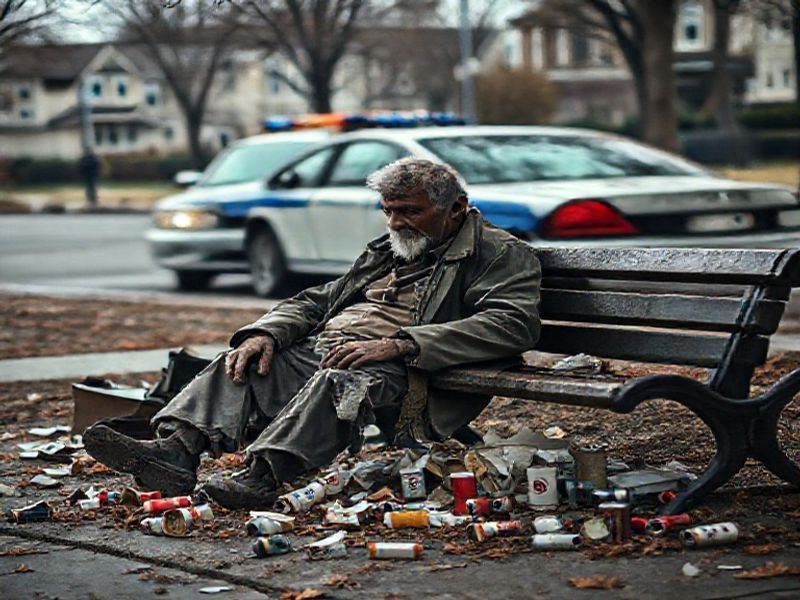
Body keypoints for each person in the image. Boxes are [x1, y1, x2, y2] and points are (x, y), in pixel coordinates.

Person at [84, 158, 542, 509]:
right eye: (388, 211)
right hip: (335, 349)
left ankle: (264, 474)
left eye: (410, 211)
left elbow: (512, 324)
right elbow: (318, 300)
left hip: (411, 367)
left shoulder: (499, 253)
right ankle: (175, 452)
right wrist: (266, 332)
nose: (396, 223)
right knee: (246, 359)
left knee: (339, 380)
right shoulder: (392, 250)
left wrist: (404, 342)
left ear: (455, 207)